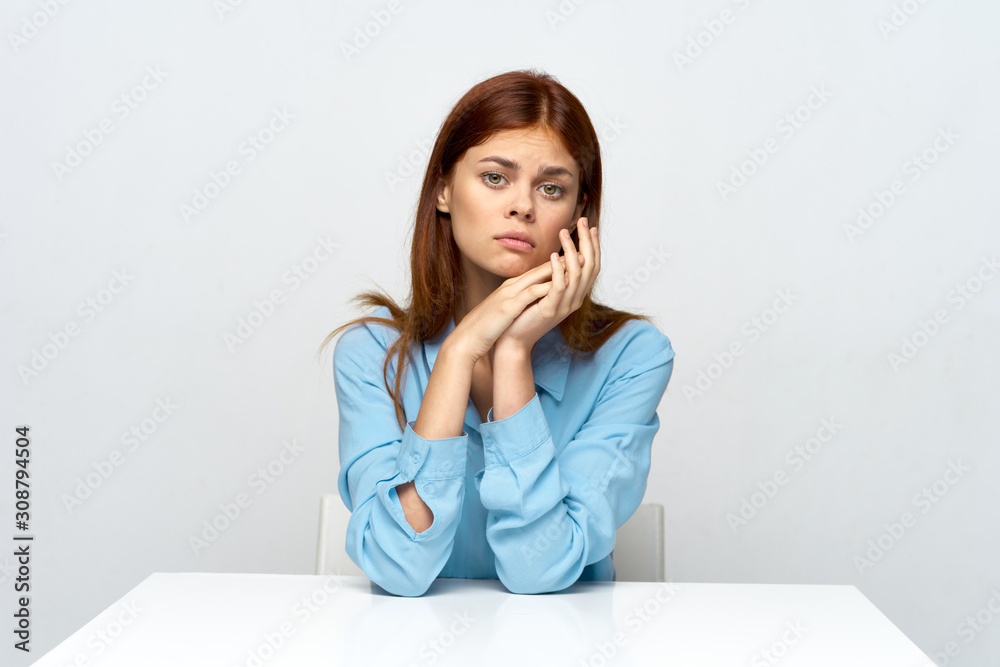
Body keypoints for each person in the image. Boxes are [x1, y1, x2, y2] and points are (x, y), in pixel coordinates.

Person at [317, 69, 675, 597]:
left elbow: (539, 572)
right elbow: (399, 569)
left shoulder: (632, 356)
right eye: (494, 178)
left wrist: (512, 353)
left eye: (551, 188)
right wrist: (458, 352)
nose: (523, 206)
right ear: (443, 190)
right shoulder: (371, 354)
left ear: (579, 213)